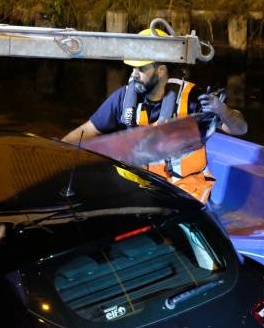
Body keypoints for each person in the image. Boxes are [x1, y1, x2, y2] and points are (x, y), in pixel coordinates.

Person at [62, 29, 247, 203]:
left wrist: (222, 110)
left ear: (161, 70)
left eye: (141, 69)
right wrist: (56, 155)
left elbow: (240, 128)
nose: (134, 75)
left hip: (184, 194)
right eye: (132, 68)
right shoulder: (124, 98)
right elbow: (87, 130)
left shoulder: (192, 98)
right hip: (138, 190)